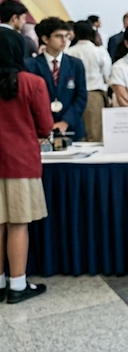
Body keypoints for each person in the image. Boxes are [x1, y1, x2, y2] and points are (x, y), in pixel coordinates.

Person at [0, 29, 53, 303]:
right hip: (21, 161)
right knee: (18, 224)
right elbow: (45, 127)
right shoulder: (32, 83)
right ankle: (17, 284)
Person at [26, 18, 88, 140]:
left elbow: (81, 97)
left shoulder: (76, 64)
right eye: (59, 36)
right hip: (41, 129)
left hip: (71, 127)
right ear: (45, 39)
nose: (64, 40)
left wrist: (66, 121)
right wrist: (45, 123)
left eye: (67, 36)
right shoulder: (30, 65)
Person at [66, 21, 113, 141]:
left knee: (78, 134)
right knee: (96, 135)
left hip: (73, 96)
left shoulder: (69, 51)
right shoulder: (99, 51)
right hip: (94, 94)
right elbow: (107, 75)